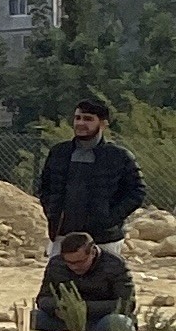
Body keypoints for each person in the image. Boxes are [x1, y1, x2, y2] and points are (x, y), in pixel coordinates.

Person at [40, 98, 147, 248]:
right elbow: (45, 187)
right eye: (78, 118)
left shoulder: (119, 156)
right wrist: (52, 213)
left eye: (88, 119)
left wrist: (109, 219)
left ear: (103, 124)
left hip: (104, 240)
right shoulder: (59, 153)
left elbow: (137, 192)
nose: (80, 123)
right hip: (63, 236)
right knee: (59, 272)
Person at [35, 231, 136, 331]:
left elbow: (127, 303)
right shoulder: (56, 264)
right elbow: (43, 298)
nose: (74, 267)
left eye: (80, 262)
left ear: (92, 252)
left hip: (99, 321)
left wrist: (82, 308)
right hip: (65, 321)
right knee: (33, 317)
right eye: (69, 263)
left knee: (120, 323)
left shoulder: (115, 264)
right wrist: (60, 307)